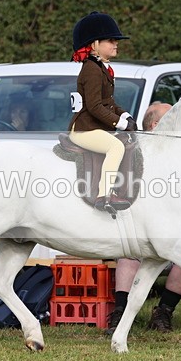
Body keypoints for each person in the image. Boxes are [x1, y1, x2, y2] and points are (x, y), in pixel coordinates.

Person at [107, 102, 181, 334]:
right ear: (156, 125)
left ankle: (163, 312)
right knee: (129, 250)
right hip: (138, 226)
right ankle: (119, 313)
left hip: (170, 229)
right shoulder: (133, 151)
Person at [69, 11, 137, 212]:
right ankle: (103, 195)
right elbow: (94, 106)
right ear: (94, 44)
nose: (116, 43)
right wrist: (121, 124)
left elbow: (108, 102)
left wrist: (126, 116)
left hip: (95, 127)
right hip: (84, 129)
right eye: (110, 40)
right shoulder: (91, 69)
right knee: (116, 147)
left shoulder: (101, 68)